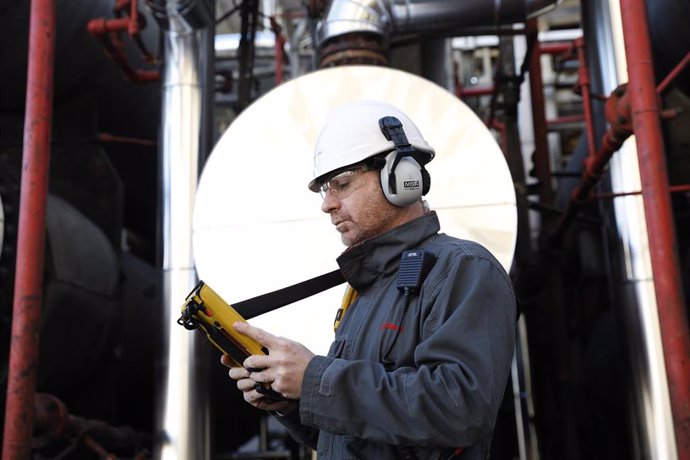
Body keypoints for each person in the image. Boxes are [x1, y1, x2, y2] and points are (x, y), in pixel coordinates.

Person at [222, 100, 516, 459]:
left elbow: (460, 408)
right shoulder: (366, 291)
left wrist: (315, 379)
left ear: (402, 177)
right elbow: (359, 438)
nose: (327, 205)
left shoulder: (463, 269)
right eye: (324, 189)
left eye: (341, 184)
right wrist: (288, 398)